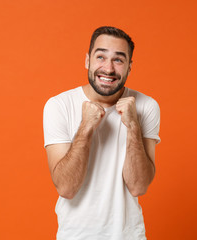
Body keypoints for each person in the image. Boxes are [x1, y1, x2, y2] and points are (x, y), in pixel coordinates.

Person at [43, 26, 160, 240]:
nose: (108, 68)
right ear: (87, 60)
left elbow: (138, 186)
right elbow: (66, 188)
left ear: (129, 67)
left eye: (118, 60)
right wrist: (86, 127)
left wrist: (133, 125)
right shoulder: (58, 105)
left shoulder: (146, 106)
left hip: (129, 235)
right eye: (101, 57)